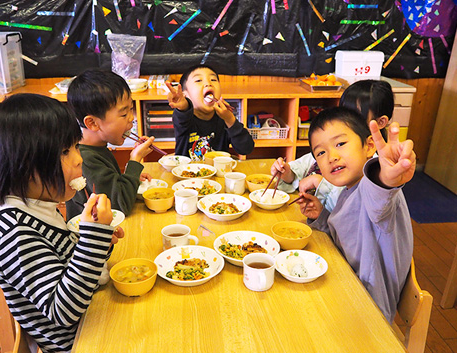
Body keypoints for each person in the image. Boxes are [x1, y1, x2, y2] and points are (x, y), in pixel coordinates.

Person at [0, 93, 124, 353]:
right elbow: (63, 310)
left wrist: (100, 240)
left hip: (93, 319)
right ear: (25, 165)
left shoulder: (40, 208)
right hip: (79, 342)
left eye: (76, 146)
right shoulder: (15, 231)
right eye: (64, 152)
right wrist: (92, 240)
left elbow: (70, 267)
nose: (78, 159)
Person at [296, 106, 415, 323]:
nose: (331, 156)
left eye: (340, 144)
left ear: (369, 146)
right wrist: (321, 216)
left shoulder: (373, 190)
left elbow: (380, 193)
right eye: (320, 152)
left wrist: (386, 176)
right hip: (344, 287)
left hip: (367, 311)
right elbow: (347, 234)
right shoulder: (348, 190)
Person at [271, 79, 395, 212]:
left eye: (355, 116)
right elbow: (301, 167)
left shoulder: (375, 168)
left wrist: (320, 183)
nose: (344, 121)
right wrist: (287, 172)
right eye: (343, 113)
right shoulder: (330, 148)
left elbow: (352, 210)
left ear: (380, 122)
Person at [65, 69, 154, 220]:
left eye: (131, 110)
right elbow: (119, 207)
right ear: (92, 123)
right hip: (91, 238)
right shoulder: (85, 159)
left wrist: (130, 177)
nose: (131, 118)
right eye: (124, 114)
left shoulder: (95, 147)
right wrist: (135, 160)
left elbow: (110, 186)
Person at [165, 64, 254, 160]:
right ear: (185, 94)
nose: (208, 83)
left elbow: (246, 149)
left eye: (213, 80)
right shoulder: (184, 117)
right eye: (198, 80)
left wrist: (230, 119)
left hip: (218, 173)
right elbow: (183, 114)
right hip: (186, 172)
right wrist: (184, 106)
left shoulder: (224, 117)